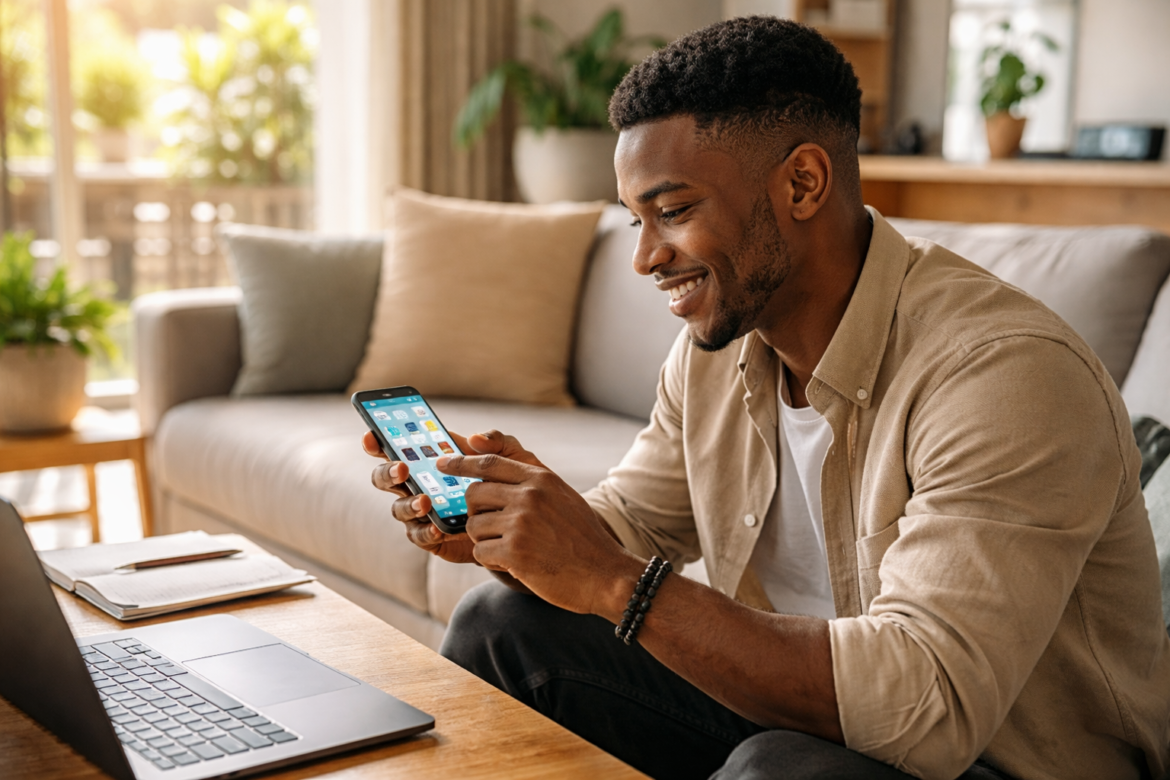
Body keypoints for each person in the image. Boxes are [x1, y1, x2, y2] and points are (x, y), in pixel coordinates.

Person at [362, 16, 1170, 780]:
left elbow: (929, 708)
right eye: (634, 219)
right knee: (502, 629)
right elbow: (630, 527)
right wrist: (519, 529)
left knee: (777, 770)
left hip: (992, 757)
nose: (644, 258)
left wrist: (615, 581)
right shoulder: (718, 350)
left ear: (805, 183)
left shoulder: (1003, 373)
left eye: (672, 212)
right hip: (800, 725)